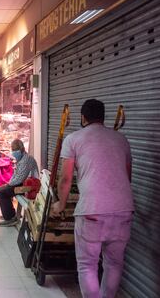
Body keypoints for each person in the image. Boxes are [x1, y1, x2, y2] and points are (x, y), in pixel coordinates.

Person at [50, 99, 134, 298]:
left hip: (92, 211)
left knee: (87, 265)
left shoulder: (73, 139)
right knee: (114, 263)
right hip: (123, 209)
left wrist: (61, 204)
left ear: (82, 117)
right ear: (103, 117)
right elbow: (127, 176)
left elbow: (65, 178)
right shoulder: (121, 140)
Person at [0, 139, 39, 226]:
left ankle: (10, 218)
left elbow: (19, 178)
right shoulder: (22, 158)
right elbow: (16, 175)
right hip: (24, 183)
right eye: (13, 150)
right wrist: (8, 183)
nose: (14, 152)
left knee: (2, 192)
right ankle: (10, 214)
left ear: (22, 149)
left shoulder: (26, 160)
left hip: (29, 185)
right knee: (3, 190)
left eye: (16, 150)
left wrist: (8, 184)